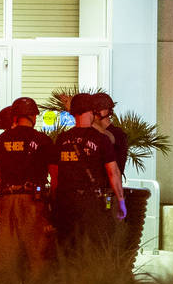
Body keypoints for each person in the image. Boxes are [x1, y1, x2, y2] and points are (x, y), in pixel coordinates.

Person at [50, 93, 126, 257]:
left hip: (66, 203)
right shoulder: (101, 140)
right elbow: (113, 172)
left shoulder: (62, 139)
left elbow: (54, 176)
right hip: (92, 204)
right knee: (92, 251)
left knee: (67, 251)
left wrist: (54, 202)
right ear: (92, 112)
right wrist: (121, 201)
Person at [0, 96, 57, 276]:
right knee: (37, 253)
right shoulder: (43, 140)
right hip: (33, 203)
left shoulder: (2, 139)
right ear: (33, 116)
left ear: (15, 117)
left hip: (7, 200)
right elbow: (55, 175)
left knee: (7, 254)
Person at [93, 92, 129, 176]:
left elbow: (108, 137)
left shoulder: (118, 133)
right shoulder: (94, 133)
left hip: (110, 185)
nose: (91, 115)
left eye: (94, 110)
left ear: (105, 111)